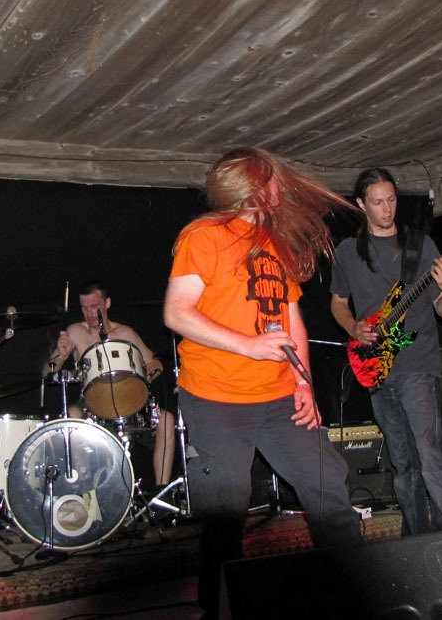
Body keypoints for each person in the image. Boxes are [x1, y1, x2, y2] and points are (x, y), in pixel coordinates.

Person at [163, 147, 363, 616]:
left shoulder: (274, 244)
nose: (280, 185)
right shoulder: (203, 236)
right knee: (226, 513)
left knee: (328, 485)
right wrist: (248, 345)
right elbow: (176, 312)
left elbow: (293, 323)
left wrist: (304, 384)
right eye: (271, 178)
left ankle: (356, 596)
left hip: (278, 397)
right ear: (254, 185)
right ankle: (219, 610)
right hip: (217, 398)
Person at [329, 168, 442, 536]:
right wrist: (352, 327)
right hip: (376, 369)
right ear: (361, 205)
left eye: (391, 200)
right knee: (403, 462)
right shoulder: (347, 252)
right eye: (378, 202)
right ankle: (417, 537)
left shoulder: (420, 246)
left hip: (418, 364)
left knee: (430, 452)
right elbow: (338, 303)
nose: (387, 208)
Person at [43, 280, 177, 487]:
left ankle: (162, 489)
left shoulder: (125, 333)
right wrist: (61, 356)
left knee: (167, 419)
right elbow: (47, 372)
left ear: (107, 303)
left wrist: (140, 379)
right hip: (92, 404)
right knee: (72, 414)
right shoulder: (75, 332)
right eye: (84, 307)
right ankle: (83, 488)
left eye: (94, 306)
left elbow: (155, 363)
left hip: (130, 402)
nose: (88, 313)